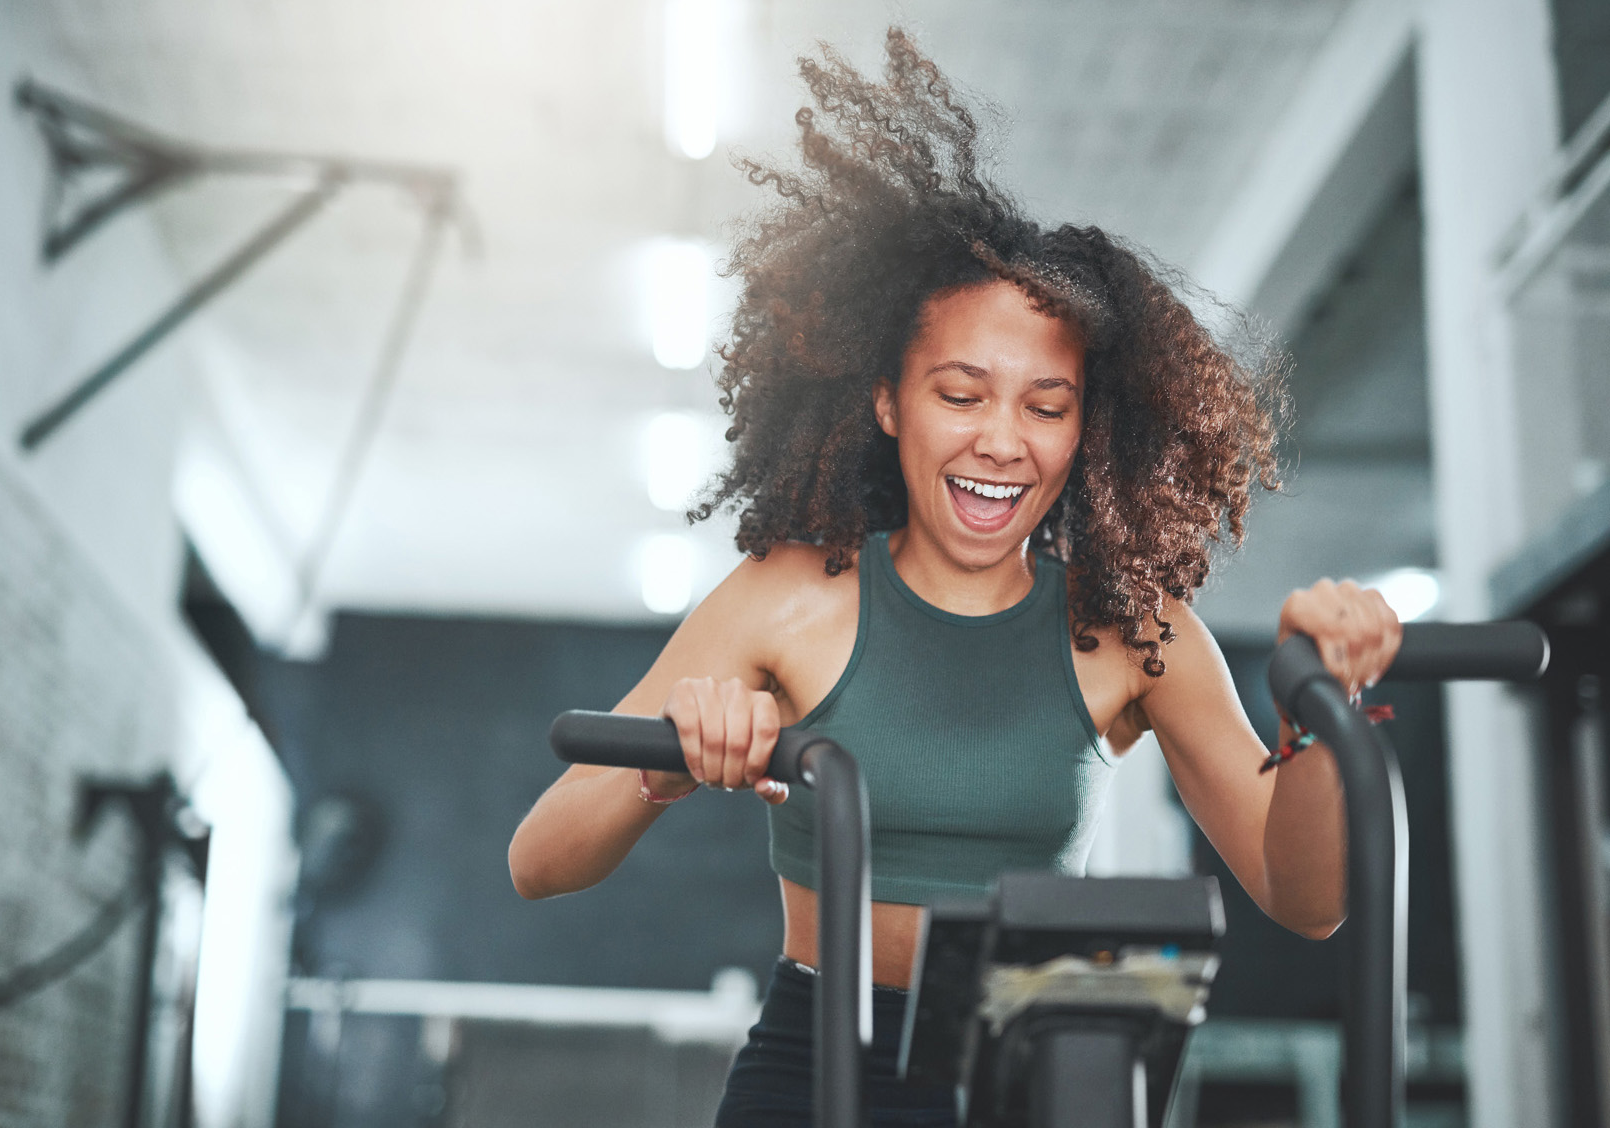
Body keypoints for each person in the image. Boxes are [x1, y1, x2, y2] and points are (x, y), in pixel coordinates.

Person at [509, 28, 1401, 1128]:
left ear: (1087, 430)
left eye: (1044, 405)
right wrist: (671, 767)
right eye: (961, 393)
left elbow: (1306, 899)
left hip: (1036, 1063)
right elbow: (538, 861)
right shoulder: (788, 595)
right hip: (813, 1062)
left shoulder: (1129, 631)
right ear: (888, 403)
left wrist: (1322, 710)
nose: (1001, 441)